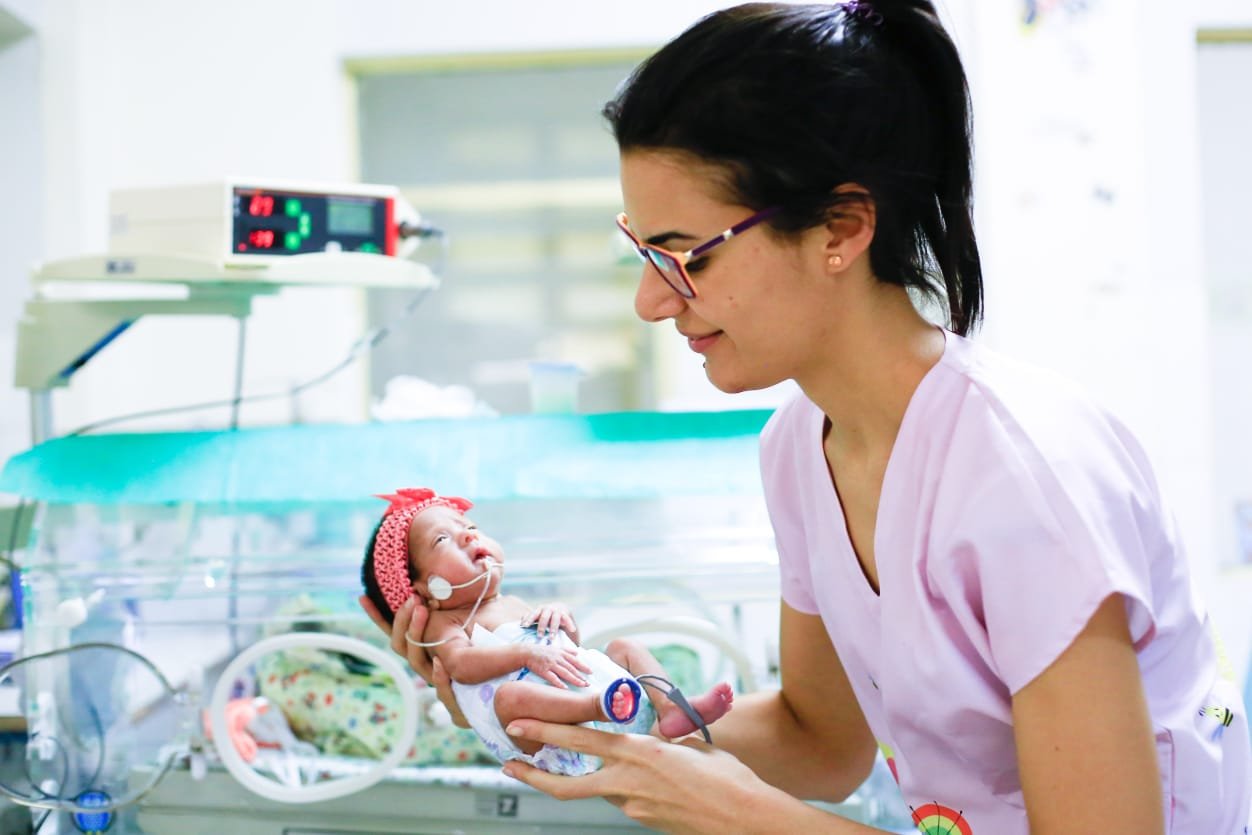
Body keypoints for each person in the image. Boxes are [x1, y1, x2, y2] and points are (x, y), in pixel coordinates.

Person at [361, 2, 1252, 832]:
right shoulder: (798, 448)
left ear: (842, 228)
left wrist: (745, 814)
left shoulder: (1024, 476)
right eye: (641, 251)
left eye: (685, 258)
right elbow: (819, 742)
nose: (648, 301)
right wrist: (612, 713)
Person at [359, 487, 734, 776]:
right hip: (553, 740)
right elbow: (460, 664)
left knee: (624, 646)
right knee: (510, 696)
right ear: (424, 589)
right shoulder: (448, 621)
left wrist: (560, 616)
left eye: (470, 527)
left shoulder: (513, 603)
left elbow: (569, 649)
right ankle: (598, 708)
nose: (470, 536)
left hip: (613, 706)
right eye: (443, 539)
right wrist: (525, 654)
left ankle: (671, 709)